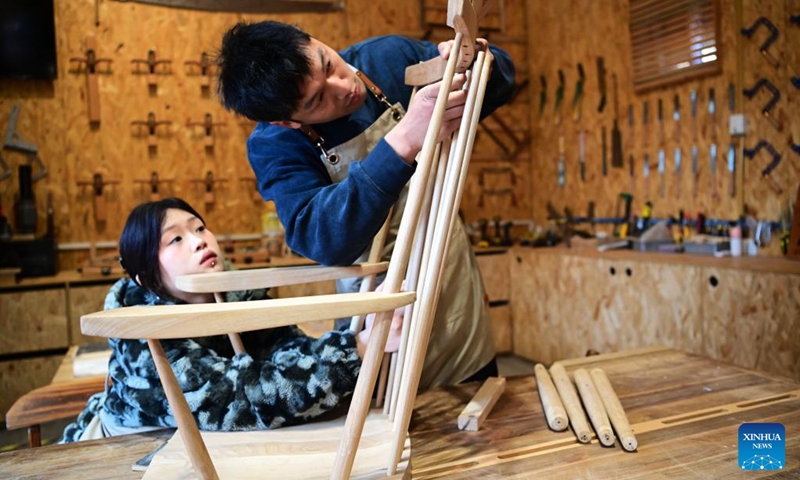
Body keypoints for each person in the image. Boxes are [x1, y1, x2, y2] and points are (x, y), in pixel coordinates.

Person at [216, 21, 516, 389]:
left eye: (328, 64)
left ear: (314, 39)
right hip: (374, 320)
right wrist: (402, 142)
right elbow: (321, 236)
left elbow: (502, 80)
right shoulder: (274, 145)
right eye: (316, 101)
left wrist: (476, 63)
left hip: (451, 288)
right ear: (286, 121)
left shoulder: (387, 59)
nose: (344, 88)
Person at [60, 197, 401, 443]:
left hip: (193, 447)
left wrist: (358, 339)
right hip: (118, 452)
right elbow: (237, 401)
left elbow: (288, 351)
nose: (199, 241)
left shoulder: (238, 296)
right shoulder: (143, 334)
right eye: (175, 239)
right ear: (144, 276)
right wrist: (358, 346)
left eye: (200, 227)